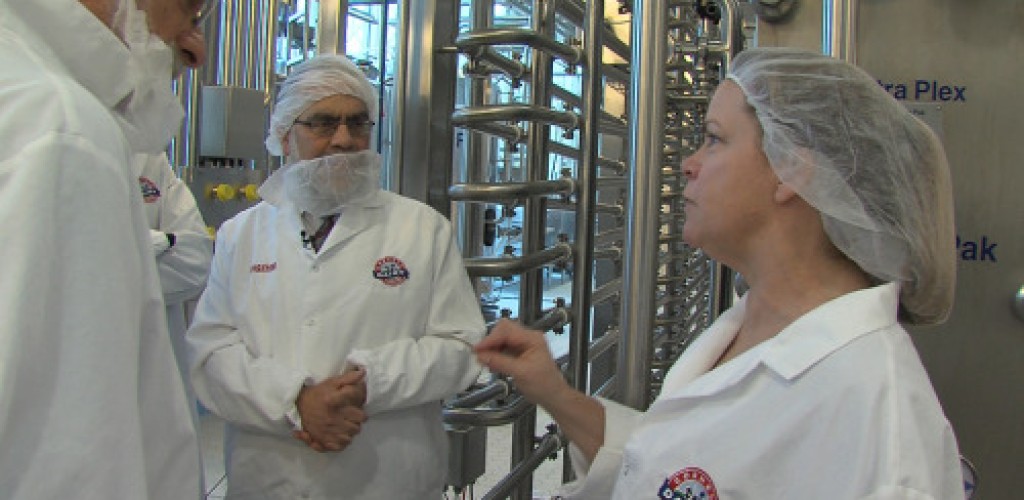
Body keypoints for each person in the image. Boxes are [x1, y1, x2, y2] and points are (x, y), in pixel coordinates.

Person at [475, 47, 962, 499]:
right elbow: (668, 464)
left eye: (713, 139)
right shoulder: (752, 323)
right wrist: (554, 392)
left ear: (794, 170)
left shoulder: (880, 418)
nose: (688, 164)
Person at [186, 54, 486, 499]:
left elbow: (463, 347)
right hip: (271, 478)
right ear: (286, 137)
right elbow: (211, 355)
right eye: (323, 123)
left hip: (387, 479)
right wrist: (295, 401)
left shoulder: (422, 229)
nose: (344, 139)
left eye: (358, 123)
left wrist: (371, 382)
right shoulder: (241, 234)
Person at [0, 0, 214, 498]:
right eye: (189, 10)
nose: (194, 47)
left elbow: (196, 257)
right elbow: (66, 461)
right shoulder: (59, 125)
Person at [135, 151, 213, 423]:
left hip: (151, 372)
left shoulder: (150, 159)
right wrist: (160, 243)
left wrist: (119, 247)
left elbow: (195, 263)